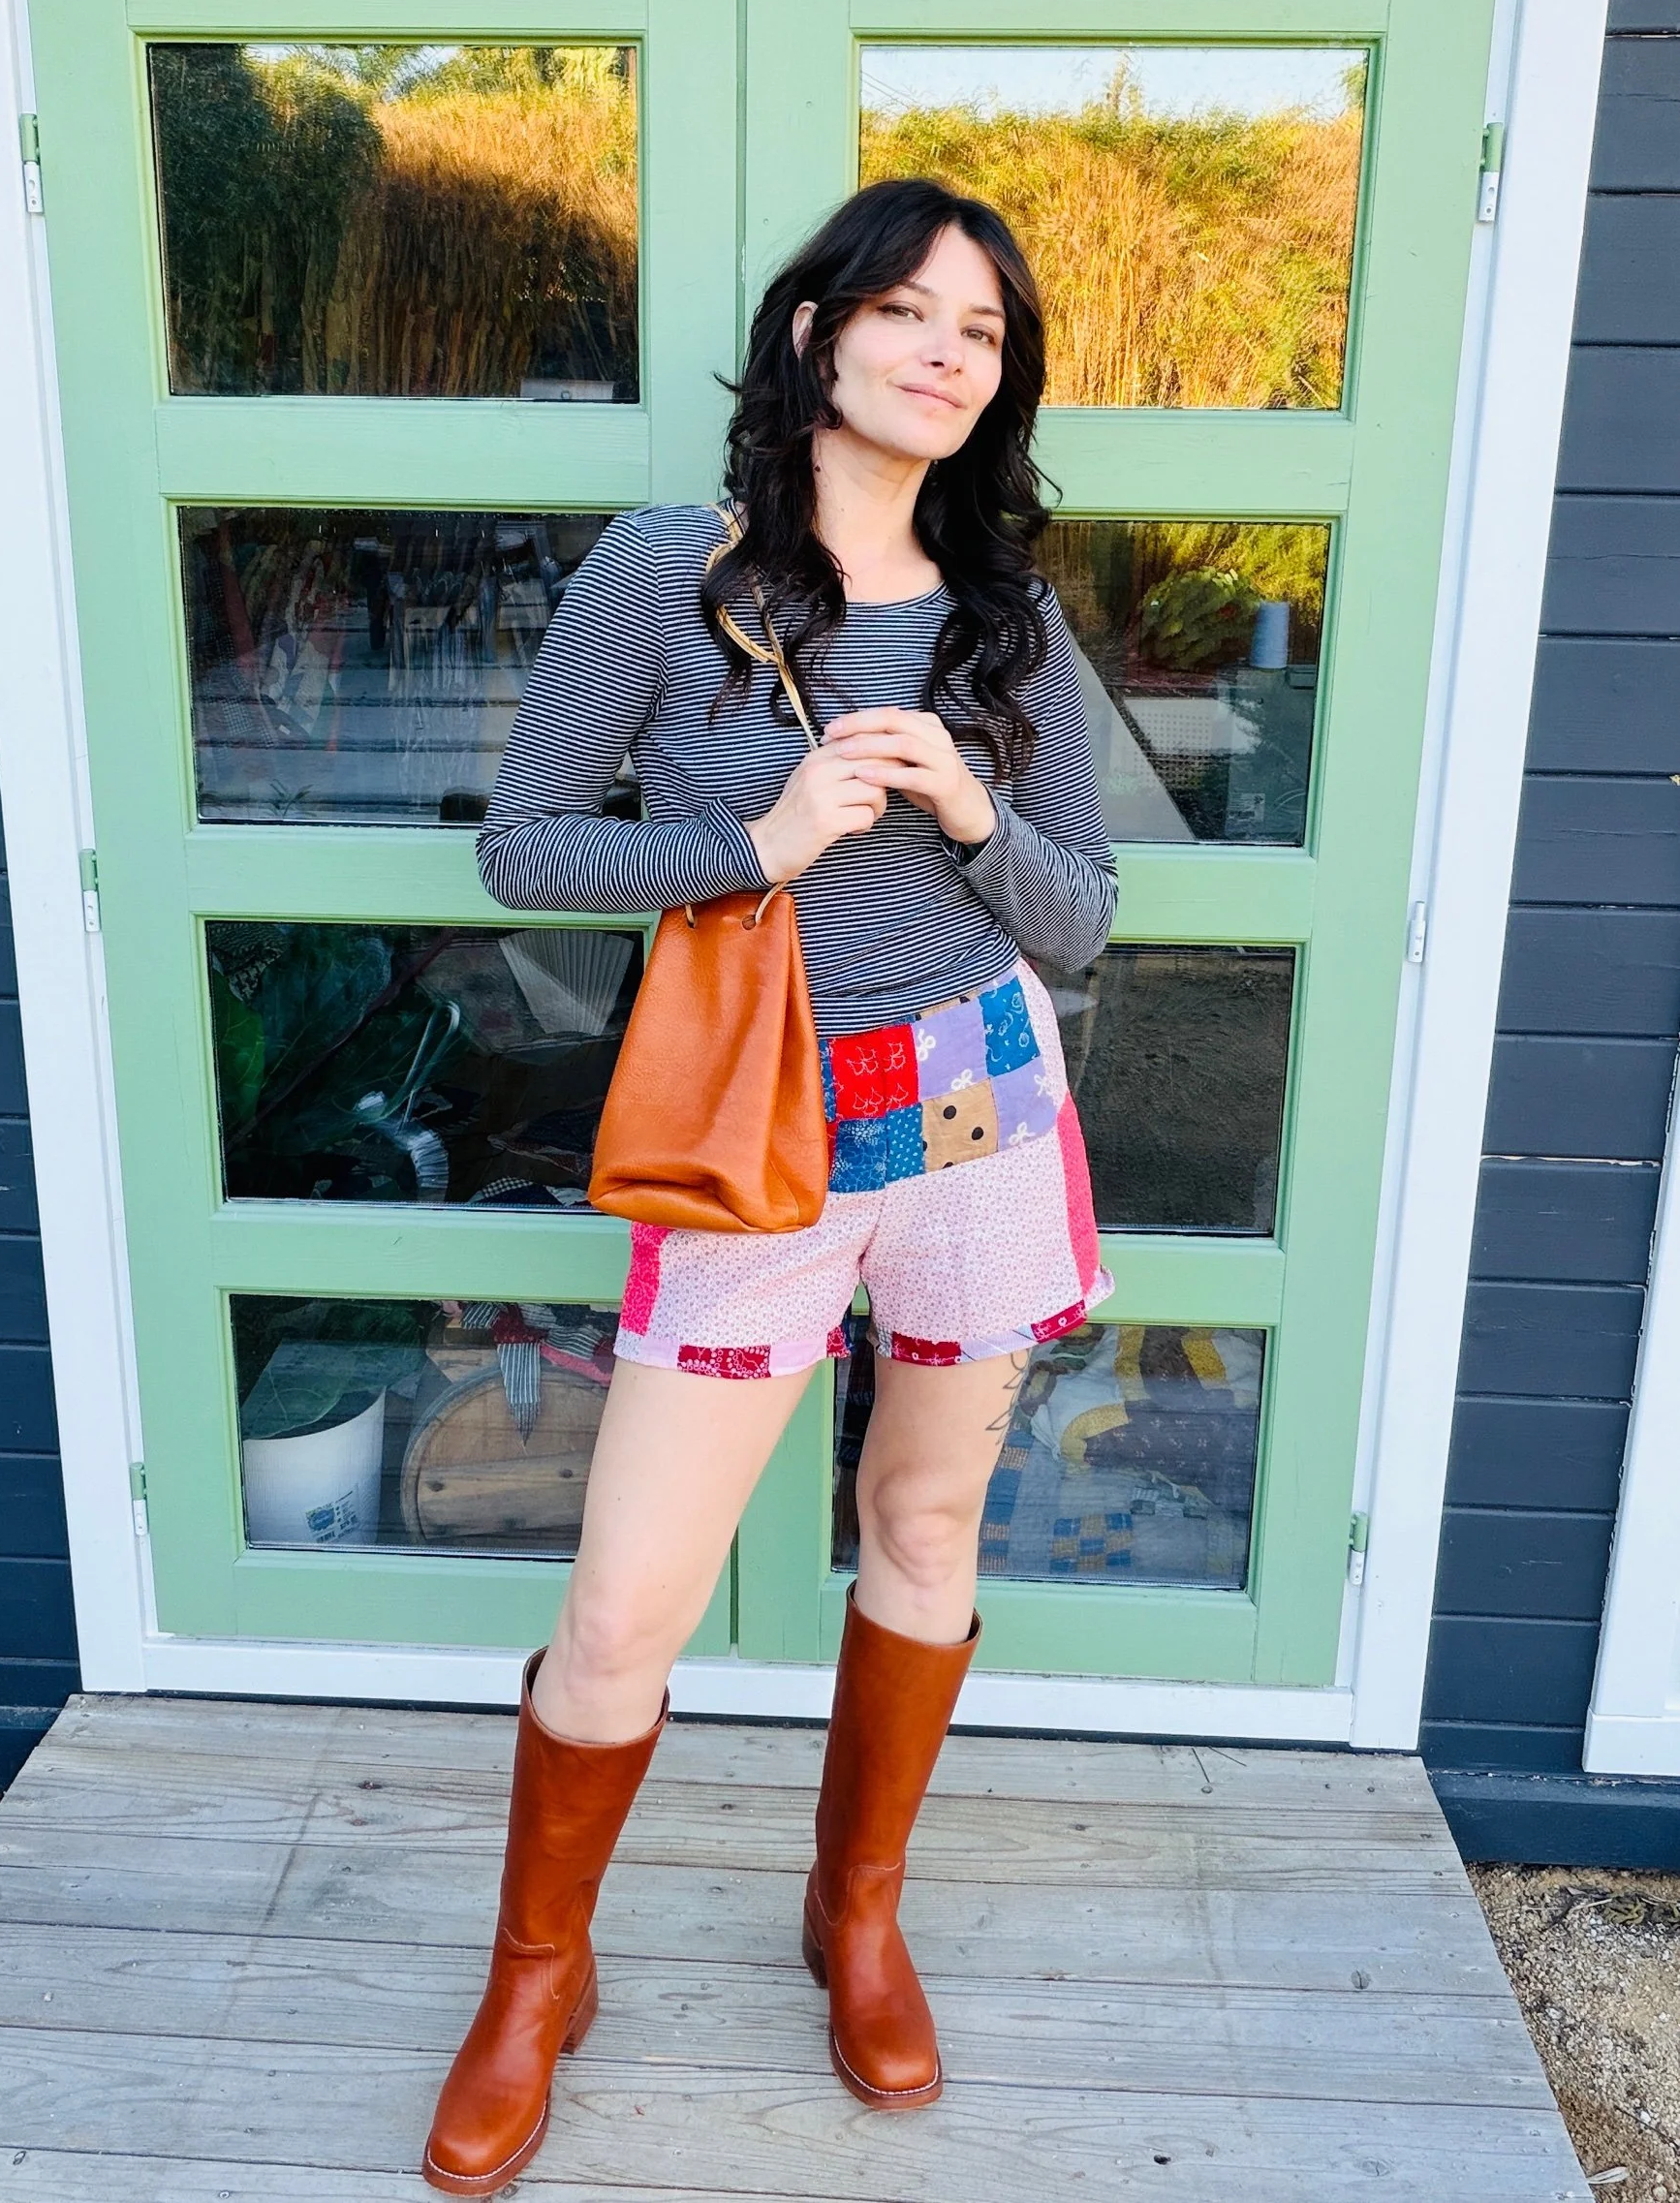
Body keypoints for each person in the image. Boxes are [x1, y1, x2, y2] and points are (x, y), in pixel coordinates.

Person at [421, 176, 1116, 2195]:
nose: (942, 353)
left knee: (922, 1519)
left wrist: (971, 807)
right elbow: (526, 844)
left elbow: (1077, 915)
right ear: (815, 332)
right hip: (763, 1127)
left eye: (980, 332)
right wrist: (765, 840)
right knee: (626, 1596)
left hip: (974, 1108)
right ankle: (536, 1971)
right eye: (906, 311)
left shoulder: (1006, 610)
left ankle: (854, 1911)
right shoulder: (675, 572)